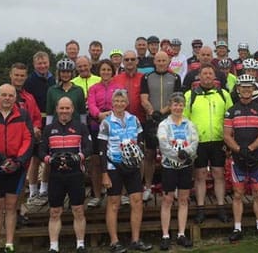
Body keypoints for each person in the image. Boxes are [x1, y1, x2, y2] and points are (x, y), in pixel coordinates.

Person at [0, 84, 33, 253]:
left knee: (11, 205)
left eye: (11, 95)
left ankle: (9, 242)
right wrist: (1, 159)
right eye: (4, 95)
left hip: (16, 167)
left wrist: (18, 160)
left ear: (15, 98)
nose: (7, 98)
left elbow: (28, 138)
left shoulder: (23, 115)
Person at [99, 90, 153, 252]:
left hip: (132, 167)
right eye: (116, 101)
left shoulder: (134, 119)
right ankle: (114, 242)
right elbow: (101, 150)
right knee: (113, 203)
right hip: (113, 167)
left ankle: (135, 240)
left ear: (127, 103)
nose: (120, 104)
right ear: (112, 103)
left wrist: (139, 154)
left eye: (123, 101)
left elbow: (141, 140)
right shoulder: (106, 122)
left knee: (136, 201)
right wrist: (104, 174)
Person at [223, 74, 258, 242]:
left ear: (253, 89)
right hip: (238, 157)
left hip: (255, 156)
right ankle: (237, 228)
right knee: (238, 193)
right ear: (238, 89)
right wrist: (239, 150)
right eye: (243, 87)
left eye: (248, 87)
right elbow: (227, 135)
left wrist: (250, 149)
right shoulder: (231, 111)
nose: (245, 90)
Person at [40, 96, 92, 253]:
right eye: (61, 108)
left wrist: (79, 157)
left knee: (78, 209)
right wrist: (49, 159)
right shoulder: (49, 128)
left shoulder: (81, 127)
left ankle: (80, 243)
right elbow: (41, 150)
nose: (64, 111)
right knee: (55, 211)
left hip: (75, 174)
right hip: (55, 175)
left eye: (67, 108)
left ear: (72, 110)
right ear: (56, 109)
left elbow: (89, 148)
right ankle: (53, 246)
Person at [183, 64, 234, 224]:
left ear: (214, 76)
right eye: (204, 73)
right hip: (199, 142)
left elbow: (230, 118)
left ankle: (221, 208)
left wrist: (230, 140)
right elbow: (184, 120)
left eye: (210, 73)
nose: (207, 76)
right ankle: (200, 209)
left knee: (219, 174)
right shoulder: (190, 95)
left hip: (219, 141)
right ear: (199, 76)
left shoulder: (223, 94)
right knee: (200, 176)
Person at [157, 92, 199, 250]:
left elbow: (194, 142)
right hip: (169, 166)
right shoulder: (164, 125)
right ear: (170, 106)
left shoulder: (189, 124)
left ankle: (181, 234)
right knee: (167, 200)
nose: (178, 107)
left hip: (185, 167)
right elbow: (163, 144)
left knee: (183, 199)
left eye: (180, 104)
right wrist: (178, 154)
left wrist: (187, 154)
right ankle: (165, 235)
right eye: (175, 104)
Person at [140, 51, 183, 202]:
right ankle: (148, 188)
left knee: (170, 154)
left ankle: (173, 186)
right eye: (158, 60)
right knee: (150, 154)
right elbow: (143, 98)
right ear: (155, 61)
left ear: (168, 61)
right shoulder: (147, 77)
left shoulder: (175, 77)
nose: (161, 63)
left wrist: (162, 112)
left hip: (169, 120)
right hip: (151, 120)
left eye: (164, 60)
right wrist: (152, 112)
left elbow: (176, 99)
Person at [44, 58, 87, 199]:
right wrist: (47, 131)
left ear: (72, 72)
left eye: (68, 71)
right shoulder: (52, 90)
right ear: (59, 73)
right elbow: (50, 113)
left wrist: (84, 129)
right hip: (56, 130)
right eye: (63, 71)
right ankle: (49, 190)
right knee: (53, 161)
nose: (65, 74)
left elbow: (82, 113)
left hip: (74, 130)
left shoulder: (78, 90)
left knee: (76, 161)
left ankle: (77, 192)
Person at [8, 63, 42, 223]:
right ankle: (7, 213)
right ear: (11, 75)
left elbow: (35, 116)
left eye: (22, 75)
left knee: (21, 178)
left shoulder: (29, 97)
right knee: (8, 179)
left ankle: (18, 211)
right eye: (17, 75)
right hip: (9, 144)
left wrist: (35, 126)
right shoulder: (5, 95)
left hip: (26, 144)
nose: (19, 78)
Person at [85, 59, 120, 208]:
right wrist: (99, 114)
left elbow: (122, 103)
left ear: (113, 71)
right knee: (96, 161)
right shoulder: (93, 88)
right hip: (96, 126)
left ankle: (121, 193)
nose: (106, 72)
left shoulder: (119, 87)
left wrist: (111, 115)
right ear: (99, 71)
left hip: (115, 126)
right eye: (103, 70)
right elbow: (91, 104)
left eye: (108, 70)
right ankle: (97, 195)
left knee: (118, 158)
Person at [23, 51, 55, 204]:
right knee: (35, 158)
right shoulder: (29, 82)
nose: (42, 66)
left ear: (49, 63)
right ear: (35, 65)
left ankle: (44, 188)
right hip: (35, 122)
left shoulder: (53, 79)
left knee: (48, 157)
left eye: (44, 63)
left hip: (51, 120)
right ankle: (33, 189)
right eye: (39, 64)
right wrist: (32, 125)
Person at [112, 50, 146, 125]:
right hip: (120, 121)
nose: (129, 61)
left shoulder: (143, 78)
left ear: (137, 61)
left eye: (132, 59)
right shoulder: (116, 79)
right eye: (127, 59)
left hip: (140, 120)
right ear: (123, 62)